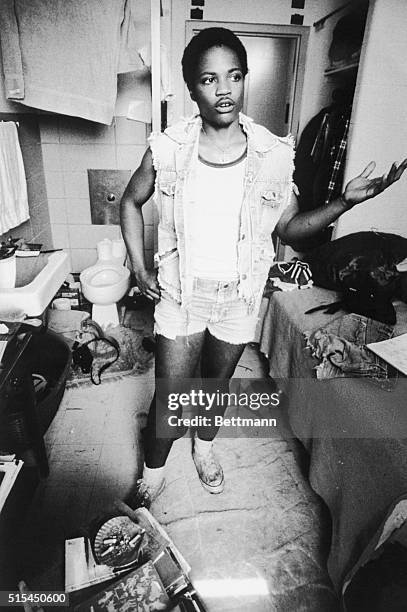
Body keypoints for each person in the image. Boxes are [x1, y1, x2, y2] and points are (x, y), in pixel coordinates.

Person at [120, 27, 407, 508]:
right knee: (171, 396)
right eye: (209, 79)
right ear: (192, 87)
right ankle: (154, 468)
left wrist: (344, 202)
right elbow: (130, 202)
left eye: (233, 76)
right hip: (183, 297)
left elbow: (291, 227)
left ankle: (206, 448)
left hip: (238, 298)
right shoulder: (167, 149)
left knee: (214, 387)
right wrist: (139, 268)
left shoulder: (273, 154)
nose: (224, 89)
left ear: (245, 79)